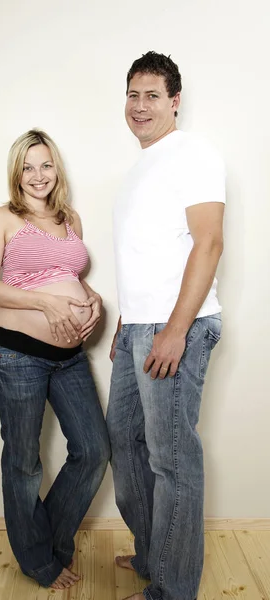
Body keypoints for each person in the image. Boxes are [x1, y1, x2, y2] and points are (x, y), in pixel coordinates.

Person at [107, 52, 225, 600]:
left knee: (171, 461)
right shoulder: (140, 165)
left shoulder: (192, 152)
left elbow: (209, 242)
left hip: (178, 327)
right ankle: (157, 554)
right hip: (139, 327)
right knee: (126, 446)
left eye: (152, 95)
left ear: (174, 101)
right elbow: (148, 253)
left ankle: (173, 590)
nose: (140, 105)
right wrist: (127, 321)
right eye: (133, 95)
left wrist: (174, 330)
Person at [0, 129, 110, 590]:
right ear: (17, 172)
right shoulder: (1, 218)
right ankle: (39, 560)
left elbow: (68, 275)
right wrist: (46, 304)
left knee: (93, 451)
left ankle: (44, 542)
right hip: (17, 358)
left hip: (70, 358)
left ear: (57, 169)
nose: (37, 175)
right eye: (28, 166)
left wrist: (94, 302)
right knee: (24, 463)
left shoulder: (70, 218)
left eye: (45, 165)